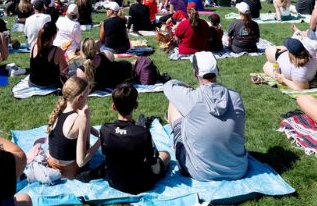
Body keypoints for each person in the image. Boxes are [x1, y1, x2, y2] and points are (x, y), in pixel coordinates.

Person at [163, 51, 248, 181]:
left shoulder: (190, 97)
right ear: (217, 71)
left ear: (195, 73)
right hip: (238, 169)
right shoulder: (235, 97)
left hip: (201, 172)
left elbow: (169, 86)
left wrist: (186, 87)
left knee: (174, 103)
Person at [100, 84, 171, 194]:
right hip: (139, 184)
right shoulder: (142, 133)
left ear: (113, 106)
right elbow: (153, 164)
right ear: (136, 105)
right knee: (165, 155)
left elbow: (106, 154)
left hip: (113, 181)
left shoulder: (104, 129)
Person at [44, 77, 100, 179]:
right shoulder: (79, 120)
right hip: (69, 171)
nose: (87, 100)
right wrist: (100, 141)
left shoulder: (59, 110)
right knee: (86, 112)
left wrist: (91, 129)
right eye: (87, 97)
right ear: (80, 98)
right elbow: (81, 162)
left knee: (84, 114)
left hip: (51, 165)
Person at [28, 22, 68, 89]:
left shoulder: (34, 45)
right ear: (53, 36)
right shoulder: (57, 51)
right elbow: (64, 71)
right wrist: (61, 55)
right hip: (50, 84)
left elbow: (39, 64)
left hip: (32, 82)